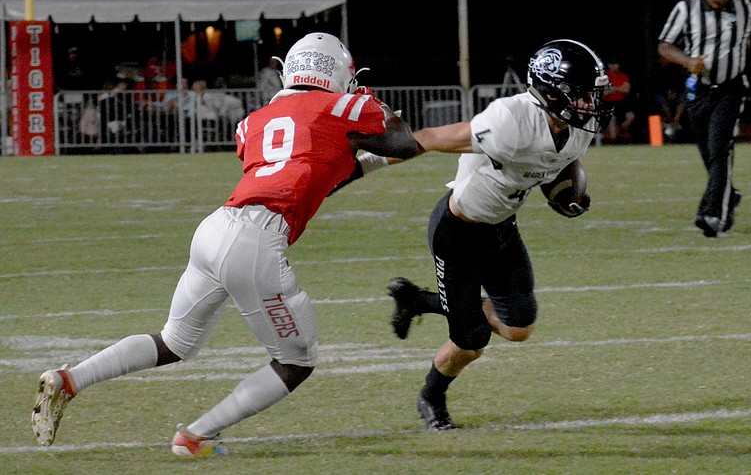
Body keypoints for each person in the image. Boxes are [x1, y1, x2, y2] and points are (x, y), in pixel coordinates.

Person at [31, 32, 421, 456]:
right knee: (297, 360)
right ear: (340, 73)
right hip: (256, 242)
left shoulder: (258, 119)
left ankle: (70, 379)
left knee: (175, 341)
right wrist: (374, 104)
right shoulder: (346, 106)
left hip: (216, 229)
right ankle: (196, 436)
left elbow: (313, 172)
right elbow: (404, 141)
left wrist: (370, 161)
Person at [331, 39, 613, 430]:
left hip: (502, 230)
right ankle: (431, 397)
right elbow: (425, 139)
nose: (590, 104)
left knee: (518, 328)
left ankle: (416, 300)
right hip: (457, 235)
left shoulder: (575, 128)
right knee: (473, 339)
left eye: (592, 95)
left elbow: (559, 160)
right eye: (582, 94)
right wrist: (353, 171)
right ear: (550, 91)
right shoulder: (510, 121)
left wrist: (565, 193)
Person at [657, 0, 751, 237]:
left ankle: (713, 214)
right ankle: (729, 193)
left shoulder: (744, 7)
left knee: (720, 150)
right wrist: (688, 61)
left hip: (731, 89)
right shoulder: (687, 7)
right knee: (708, 153)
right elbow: (665, 45)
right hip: (698, 89)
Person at [600, 55, 634, 143]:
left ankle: (621, 129)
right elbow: (603, 92)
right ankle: (613, 140)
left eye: (616, 64)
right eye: (613, 64)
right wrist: (619, 88)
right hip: (608, 103)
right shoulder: (604, 76)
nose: (615, 66)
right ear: (609, 65)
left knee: (630, 116)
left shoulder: (623, 76)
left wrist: (614, 88)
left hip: (621, 103)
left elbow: (626, 90)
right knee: (611, 119)